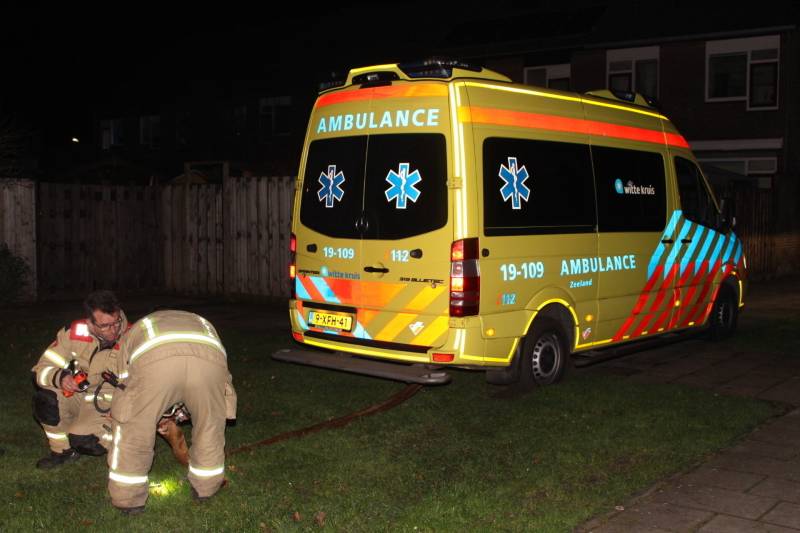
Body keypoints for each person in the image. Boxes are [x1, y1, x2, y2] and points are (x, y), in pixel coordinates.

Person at [107, 309, 237, 514]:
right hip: (209, 360)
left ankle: (129, 498)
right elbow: (221, 371)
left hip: (156, 362)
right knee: (209, 425)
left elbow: (125, 383)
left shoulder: (133, 333)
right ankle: (206, 487)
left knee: (134, 428)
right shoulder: (203, 322)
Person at [31, 290, 130, 469]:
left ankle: (126, 437)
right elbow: (42, 368)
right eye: (105, 326)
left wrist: (122, 408)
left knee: (85, 441)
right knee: (46, 401)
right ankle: (62, 451)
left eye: (116, 322)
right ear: (89, 322)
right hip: (80, 394)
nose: (113, 330)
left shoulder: (133, 338)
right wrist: (61, 378)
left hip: (109, 404)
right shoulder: (75, 333)